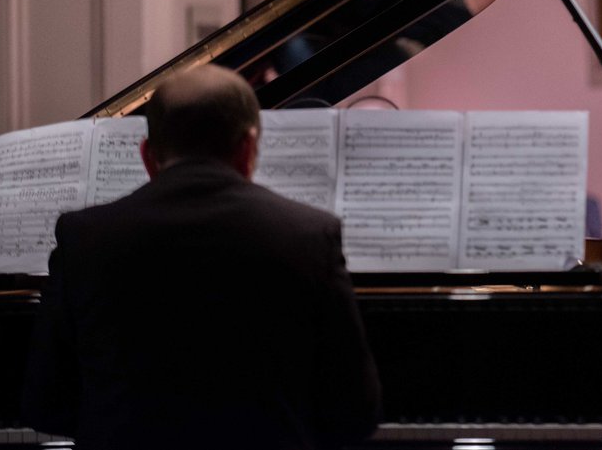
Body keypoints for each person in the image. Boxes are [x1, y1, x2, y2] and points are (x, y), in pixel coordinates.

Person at [23, 66, 381, 450]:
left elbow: (45, 406)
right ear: (247, 149)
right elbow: (354, 414)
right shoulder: (310, 236)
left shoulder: (84, 238)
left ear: (148, 156)